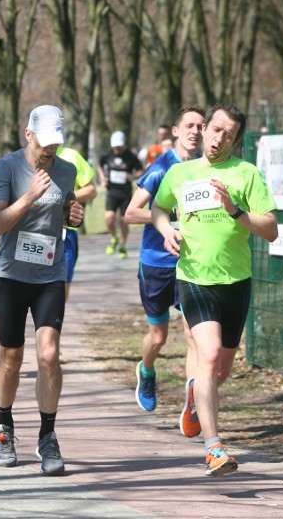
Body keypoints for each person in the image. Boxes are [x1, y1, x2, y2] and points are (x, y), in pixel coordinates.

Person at [152, 103, 277, 477]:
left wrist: (235, 210)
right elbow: (159, 209)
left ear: (236, 140)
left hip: (236, 281)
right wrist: (166, 231)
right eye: (216, 129)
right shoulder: (180, 172)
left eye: (229, 134)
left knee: (220, 370)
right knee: (206, 357)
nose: (219, 138)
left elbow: (270, 229)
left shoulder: (246, 174)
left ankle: (195, 396)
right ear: (204, 129)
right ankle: (214, 448)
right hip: (193, 277)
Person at [0, 104, 83, 476]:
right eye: (44, 142)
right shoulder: (7, 168)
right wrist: (27, 196)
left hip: (49, 275)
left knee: (49, 354)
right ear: (28, 134)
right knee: (11, 357)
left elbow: (64, 207)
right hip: (11, 276)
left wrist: (73, 213)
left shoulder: (67, 169)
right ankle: (3, 425)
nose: (50, 150)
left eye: (56, 142)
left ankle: (47, 435)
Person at [123, 106, 205, 415]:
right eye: (189, 125)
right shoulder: (160, 168)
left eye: (200, 126)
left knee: (194, 334)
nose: (195, 131)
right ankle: (146, 372)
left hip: (192, 263)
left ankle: (195, 400)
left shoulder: (204, 169)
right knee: (158, 337)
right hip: (157, 263)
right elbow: (130, 213)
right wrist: (170, 216)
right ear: (176, 131)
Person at [56, 145, 97, 301]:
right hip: (36, 231)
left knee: (62, 285)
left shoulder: (71, 156)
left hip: (65, 231)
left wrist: (64, 199)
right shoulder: (27, 157)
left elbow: (91, 190)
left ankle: (54, 323)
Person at [97, 131, 143, 258]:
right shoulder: (107, 155)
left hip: (125, 193)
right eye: (115, 147)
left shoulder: (130, 157)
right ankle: (114, 238)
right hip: (112, 192)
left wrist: (132, 176)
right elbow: (99, 166)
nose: (117, 149)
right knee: (109, 218)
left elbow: (141, 170)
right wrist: (102, 178)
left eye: (119, 147)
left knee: (124, 221)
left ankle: (122, 245)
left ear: (124, 145)